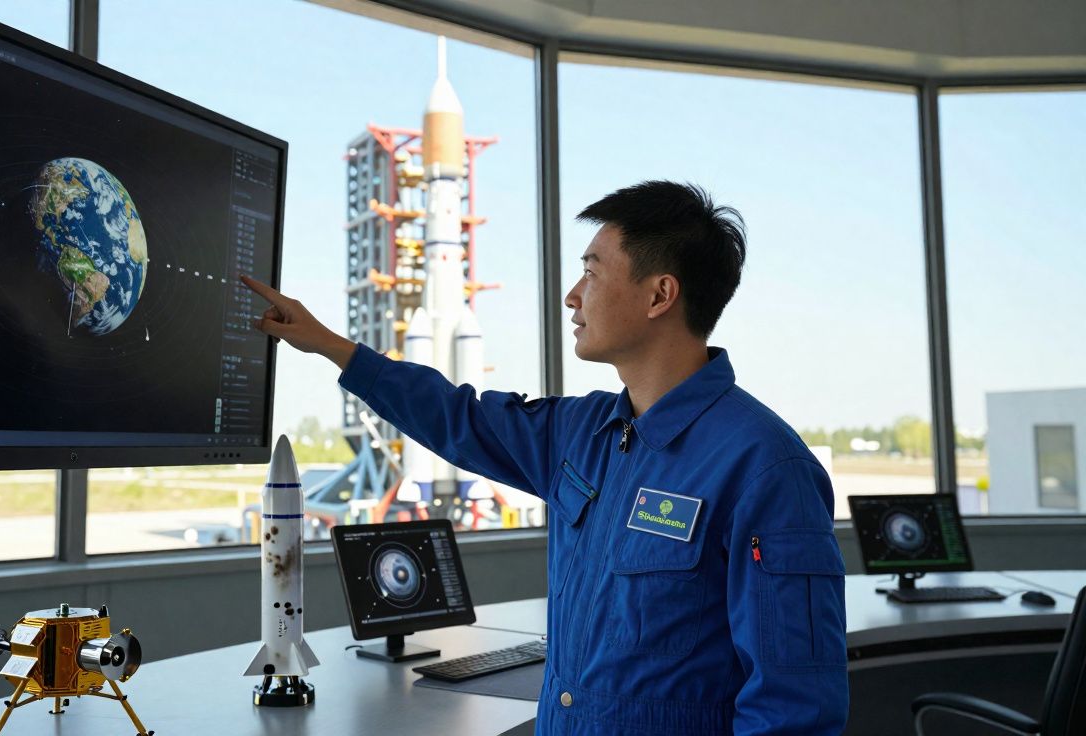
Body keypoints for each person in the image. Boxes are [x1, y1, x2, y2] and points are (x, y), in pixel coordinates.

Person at [241, 180, 848, 735]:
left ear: (661, 294)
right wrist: (329, 346)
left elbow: (793, 709)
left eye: (592, 271)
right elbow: (457, 416)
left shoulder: (765, 468)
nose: (572, 296)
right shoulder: (581, 432)